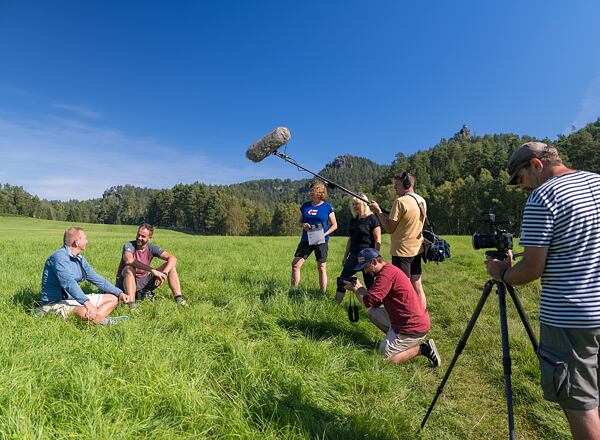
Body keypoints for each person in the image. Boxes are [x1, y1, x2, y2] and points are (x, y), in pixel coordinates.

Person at [486, 141, 600, 440]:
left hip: (571, 318)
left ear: (536, 165)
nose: (524, 189)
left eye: (522, 180)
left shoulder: (544, 196)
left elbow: (532, 270)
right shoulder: (596, 182)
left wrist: (503, 272)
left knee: (580, 401)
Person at [342, 248, 440, 366]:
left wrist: (355, 289)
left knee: (382, 360)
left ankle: (424, 348)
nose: (366, 271)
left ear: (374, 262)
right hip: (406, 320)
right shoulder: (387, 271)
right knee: (373, 313)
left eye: (366, 266)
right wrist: (358, 287)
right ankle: (395, 342)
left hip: (411, 328)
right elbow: (375, 303)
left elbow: (368, 302)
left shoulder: (385, 276)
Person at [39, 227, 130, 325]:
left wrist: (119, 293)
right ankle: (106, 322)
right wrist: (87, 303)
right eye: (84, 238)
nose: (87, 241)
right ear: (76, 242)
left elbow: (97, 279)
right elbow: (69, 283)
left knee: (112, 299)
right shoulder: (59, 257)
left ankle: (96, 319)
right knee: (85, 312)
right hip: (57, 303)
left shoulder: (79, 259)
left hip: (74, 299)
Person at [369, 171, 428, 308]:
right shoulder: (421, 200)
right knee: (417, 284)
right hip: (418, 248)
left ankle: (408, 318)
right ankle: (422, 313)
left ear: (406, 184)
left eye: (397, 185)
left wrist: (378, 211)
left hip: (402, 252)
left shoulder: (400, 202)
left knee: (403, 288)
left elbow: (389, 228)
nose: (395, 188)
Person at [116, 223, 188, 310]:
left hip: (143, 282)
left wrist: (164, 273)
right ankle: (132, 305)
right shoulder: (129, 246)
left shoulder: (151, 248)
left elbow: (173, 258)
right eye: (138, 234)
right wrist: (153, 270)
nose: (139, 238)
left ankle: (179, 299)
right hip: (125, 283)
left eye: (143, 236)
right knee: (129, 268)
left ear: (149, 238)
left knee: (171, 267)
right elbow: (129, 260)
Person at [291, 181, 338, 293]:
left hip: (321, 240)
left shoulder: (327, 207)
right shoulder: (305, 206)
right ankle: (293, 290)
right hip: (306, 239)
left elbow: (335, 225)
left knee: (321, 267)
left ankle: (322, 293)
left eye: (314, 190)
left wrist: (324, 234)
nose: (311, 192)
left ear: (320, 192)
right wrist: (303, 225)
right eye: (311, 190)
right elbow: (299, 221)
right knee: (295, 264)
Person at [334, 194, 381, 303]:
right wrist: (345, 256)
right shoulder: (354, 219)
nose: (355, 206)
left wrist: (376, 256)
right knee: (343, 280)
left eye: (357, 204)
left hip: (368, 257)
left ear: (364, 204)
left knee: (370, 283)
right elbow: (350, 239)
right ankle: (336, 304)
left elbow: (378, 237)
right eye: (353, 204)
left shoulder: (372, 218)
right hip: (354, 255)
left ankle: (375, 306)